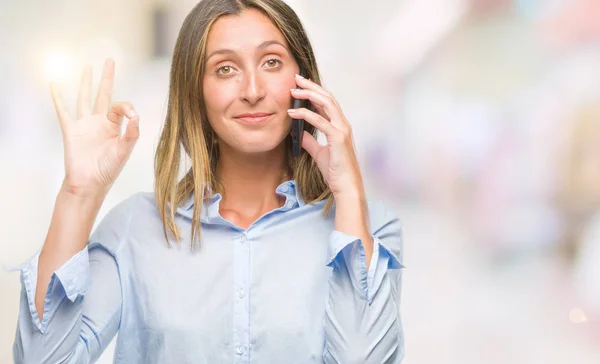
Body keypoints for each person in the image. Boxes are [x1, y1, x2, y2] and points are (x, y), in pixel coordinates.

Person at [7, 0, 405, 362]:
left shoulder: (369, 228)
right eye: (225, 69)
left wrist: (350, 195)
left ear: (302, 80)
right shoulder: (135, 229)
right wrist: (79, 193)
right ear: (195, 92)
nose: (252, 90)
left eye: (271, 62)